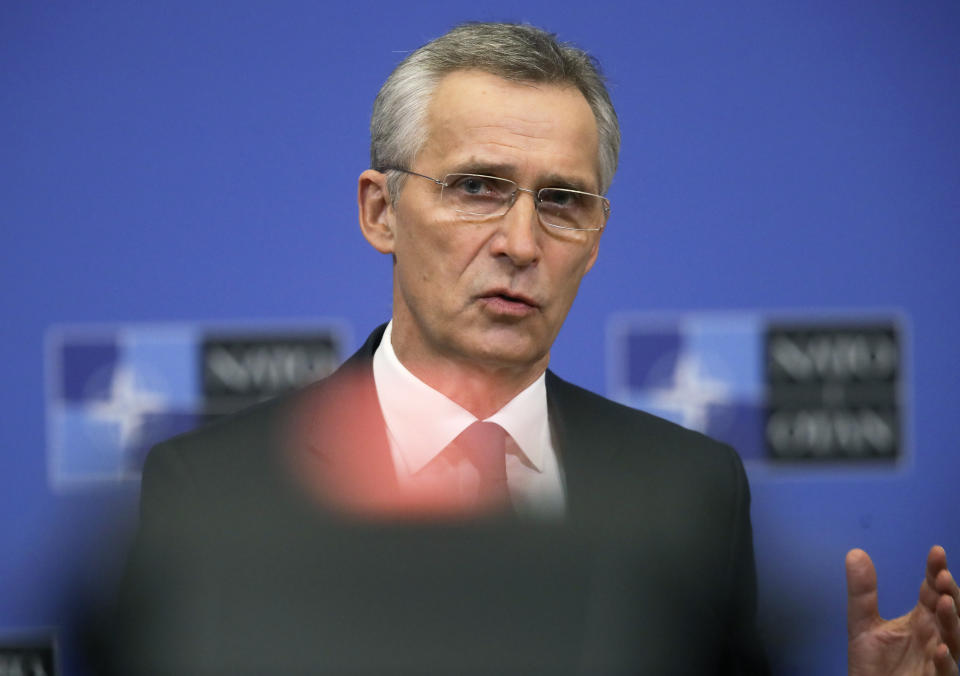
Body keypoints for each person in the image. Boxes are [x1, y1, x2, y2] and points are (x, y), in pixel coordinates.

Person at [116, 22, 959, 675]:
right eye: (477, 187)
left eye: (562, 201)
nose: (521, 241)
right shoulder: (213, 495)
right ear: (380, 212)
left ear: (594, 240)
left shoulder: (689, 492)